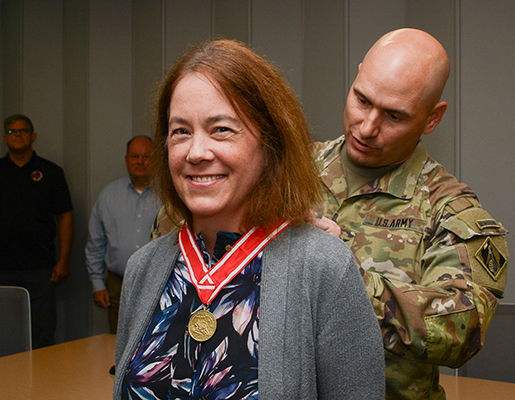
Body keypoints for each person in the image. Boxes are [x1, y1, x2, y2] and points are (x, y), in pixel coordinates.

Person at [113, 39, 385, 400]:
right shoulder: (143, 269)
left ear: (270, 143)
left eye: (221, 129)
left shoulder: (323, 268)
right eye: (180, 131)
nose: (196, 152)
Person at [313, 28, 509, 399]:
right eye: (362, 100)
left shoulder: (450, 210)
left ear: (431, 119)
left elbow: (463, 330)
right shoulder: (285, 173)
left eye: (394, 116)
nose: (367, 127)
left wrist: (343, 276)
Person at [0, 114, 74, 349]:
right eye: (12, 131)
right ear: (5, 138)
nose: (18, 135)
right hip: (3, 268)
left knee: (42, 332)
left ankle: (42, 384)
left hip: (41, 269)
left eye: (23, 130)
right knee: (5, 333)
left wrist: (63, 260)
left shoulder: (50, 172)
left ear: (33, 136)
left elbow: (64, 217)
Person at [85, 135, 161, 334]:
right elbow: (96, 242)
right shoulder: (109, 195)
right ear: (126, 160)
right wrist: (97, 283)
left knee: (156, 344)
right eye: (135, 156)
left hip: (161, 282)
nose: (141, 161)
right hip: (119, 284)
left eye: (147, 156)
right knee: (117, 344)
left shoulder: (171, 195)